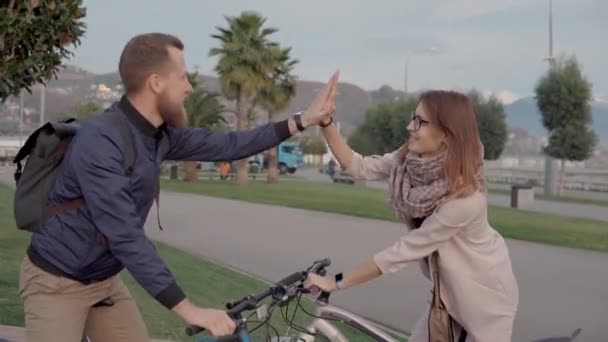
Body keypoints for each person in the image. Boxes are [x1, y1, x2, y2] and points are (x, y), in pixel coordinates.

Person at [18, 32, 339, 342]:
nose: (188, 88)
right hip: (55, 282)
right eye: (182, 77)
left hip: (103, 281)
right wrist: (189, 311)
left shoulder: (159, 134)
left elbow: (229, 144)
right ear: (156, 83)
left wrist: (300, 121)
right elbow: (125, 235)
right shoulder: (101, 141)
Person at [305, 90, 519, 342]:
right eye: (412, 118)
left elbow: (401, 253)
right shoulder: (409, 161)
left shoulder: (465, 200)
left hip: (486, 302)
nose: (410, 127)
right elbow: (358, 165)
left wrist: (335, 282)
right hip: (446, 295)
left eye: (420, 122)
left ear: (447, 133)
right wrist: (326, 123)